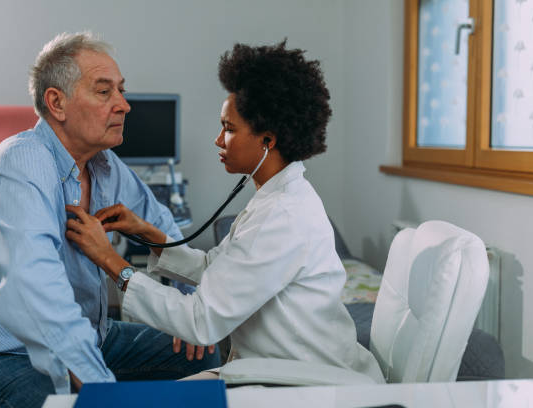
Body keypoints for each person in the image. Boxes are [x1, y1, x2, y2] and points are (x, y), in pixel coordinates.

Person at [65, 40, 384, 383]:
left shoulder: (284, 216)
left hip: (307, 380)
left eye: (229, 129)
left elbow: (201, 321)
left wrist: (112, 262)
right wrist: (148, 233)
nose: (219, 140)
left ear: (268, 140)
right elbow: (213, 269)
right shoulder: (275, 199)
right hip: (280, 366)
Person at [0, 32, 219, 408]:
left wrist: (188, 306)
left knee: (199, 351)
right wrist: (101, 388)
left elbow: (160, 221)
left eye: (121, 90)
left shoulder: (105, 166)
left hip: (90, 334)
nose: (124, 105)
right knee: (58, 397)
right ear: (57, 103)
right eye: (104, 92)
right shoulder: (21, 164)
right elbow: (37, 290)